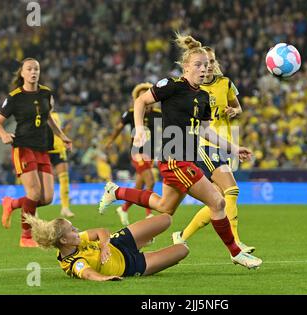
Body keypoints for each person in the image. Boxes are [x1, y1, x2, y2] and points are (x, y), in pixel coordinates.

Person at [99, 34, 262, 269]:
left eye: (206, 65)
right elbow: (140, 102)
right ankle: (236, 252)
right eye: (198, 65)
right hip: (175, 159)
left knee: (165, 207)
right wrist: (138, 128)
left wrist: (234, 148)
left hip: (188, 157)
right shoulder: (171, 86)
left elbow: (207, 132)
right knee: (217, 202)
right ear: (185, 67)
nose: (203, 69)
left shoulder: (204, 96)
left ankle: (116, 191)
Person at [172, 45, 255, 254]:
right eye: (203, 63)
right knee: (232, 190)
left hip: (224, 142)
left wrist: (233, 111)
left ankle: (181, 236)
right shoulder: (195, 88)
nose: (207, 67)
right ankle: (237, 243)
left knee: (216, 200)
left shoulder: (225, 83)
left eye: (210, 62)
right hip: (205, 145)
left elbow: (238, 107)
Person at [0, 58, 72, 247]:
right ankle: (26, 237)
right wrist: (3, 134)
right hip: (23, 147)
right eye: (29, 69)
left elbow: (49, 118)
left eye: (36, 68)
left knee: (47, 198)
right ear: (22, 73)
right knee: (34, 193)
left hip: (43, 148)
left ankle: (11, 203)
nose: (33, 72)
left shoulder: (46, 93)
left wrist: (62, 136)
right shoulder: (15, 97)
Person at [24, 213, 189, 280]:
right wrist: (104, 278)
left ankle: (144, 242)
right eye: (72, 230)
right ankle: (150, 251)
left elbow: (101, 231)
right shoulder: (73, 262)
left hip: (119, 243)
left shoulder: (78, 239)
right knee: (183, 250)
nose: (77, 230)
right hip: (131, 264)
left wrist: (104, 246)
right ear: (64, 241)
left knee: (166, 219)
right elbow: (87, 273)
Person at [104, 82, 162, 226]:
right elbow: (119, 127)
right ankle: (149, 214)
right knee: (151, 181)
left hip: (150, 154)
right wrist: (111, 140)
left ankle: (123, 209)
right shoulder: (131, 113)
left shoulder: (158, 114)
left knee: (138, 188)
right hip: (136, 152)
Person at [47, 111, 75, 218]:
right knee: (40, 180)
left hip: (58, 149)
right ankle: (34, 209)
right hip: (44, 149)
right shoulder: (39, 114)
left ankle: (65, 208)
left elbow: (61, 130)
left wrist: (66, 130)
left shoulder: (59, 115)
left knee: (64, 179)